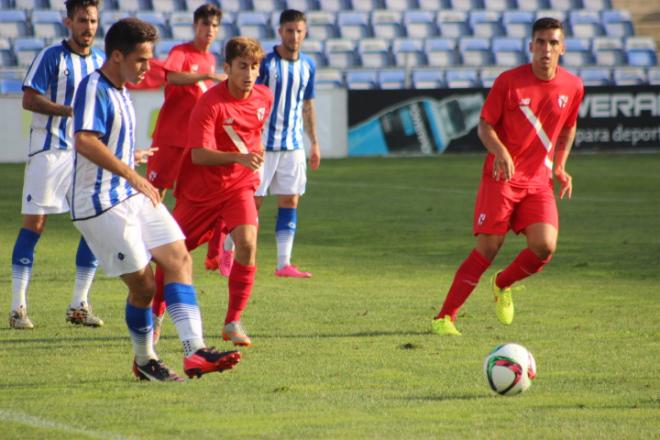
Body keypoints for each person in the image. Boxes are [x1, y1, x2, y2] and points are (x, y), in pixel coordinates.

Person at [71, 18, 240, 381]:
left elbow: (106, 142)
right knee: (145, 286)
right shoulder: (93, 87)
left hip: (127, 194)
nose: (149, 68)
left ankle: (195, 351)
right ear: (117, 55)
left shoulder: (122, 91)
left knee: (178, 256)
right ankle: (145, 359)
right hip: (98, 204)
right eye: (141, 60)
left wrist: (132, 157)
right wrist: (131, 173)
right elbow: (84, 140)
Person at [431, 17, 584, 336]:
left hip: (538, 182)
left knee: (545, 246)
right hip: (501, 177)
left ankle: (502, 284)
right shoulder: (509, 82)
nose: (546, 49)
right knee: (489, 247)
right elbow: (484, 126)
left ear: (563, 48)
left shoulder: (573, 86)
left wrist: (559, 166)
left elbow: (569, 127)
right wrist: (500, 151)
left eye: (553, 43)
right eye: (540, 42)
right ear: (530, 46)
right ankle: (445, 317)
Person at [152, 36, 272, 347]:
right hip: (199, 193)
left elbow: (254, 135)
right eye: (242, 66)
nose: (248, 73)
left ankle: (233, 321)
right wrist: (239, 157)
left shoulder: (263, 98)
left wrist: (251, 161)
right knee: (171, 256)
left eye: (254, 67)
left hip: (237, 188)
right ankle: (155, 314)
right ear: (228, 68)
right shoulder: (209, 104)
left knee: (247, 243)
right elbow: (198, 155)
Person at [8, 0, 105, 329]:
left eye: (92, 20)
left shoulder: (102, 62)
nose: (88, 27)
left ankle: (79, 303)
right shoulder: (53, 56)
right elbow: (29, 98)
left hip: (84, 154)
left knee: (94, 225)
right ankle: (17, 306)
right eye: (82, 20)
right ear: (69, 22)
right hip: (49, 151)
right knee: (34, 226)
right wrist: (67, 110)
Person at [145, 3, 227, 328]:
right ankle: (144, 249)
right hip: (169, 138)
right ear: (195, 26)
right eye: (204, 25)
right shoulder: (184, 52)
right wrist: (206, 75)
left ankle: (205, 251)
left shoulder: (211, 58)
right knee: (154, 194)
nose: (208, 31)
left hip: (193, 145)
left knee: (195, 198)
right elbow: (173, 76)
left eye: (214, 26)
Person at [222, 9, 320, 279]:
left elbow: (307, 105)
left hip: (293, 145)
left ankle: (283, 264)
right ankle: (227, 250)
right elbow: (247, 96)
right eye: (290, 30)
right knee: (252, 203)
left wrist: (314, 143)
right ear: (280, 32)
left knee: (290, 200)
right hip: (262, 144)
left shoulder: (308, 65)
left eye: (299, 30)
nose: (295, 36)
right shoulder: (265, 64)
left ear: (305, 32)